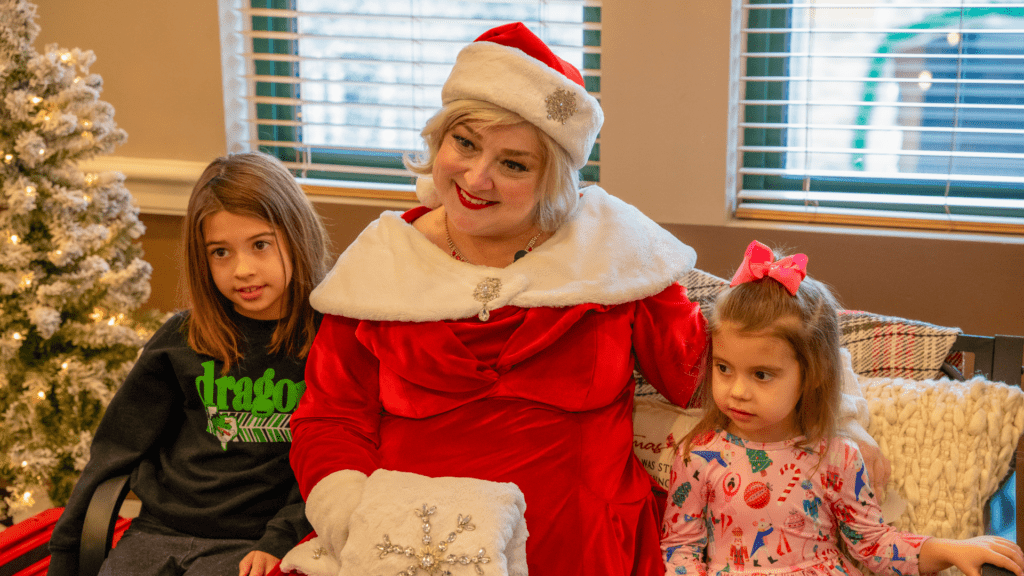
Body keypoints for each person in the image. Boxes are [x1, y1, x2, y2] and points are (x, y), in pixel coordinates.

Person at [284, 22, 707, 576]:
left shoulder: (613, 253)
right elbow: (331, 422)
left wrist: (828, 396)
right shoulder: (380, 264)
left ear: (553, 179)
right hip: (409, 550)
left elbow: (699, 375)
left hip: (582, 551)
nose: (476, 178)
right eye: (465, 143)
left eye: (513, 163)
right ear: (440, 139)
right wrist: (361, 522)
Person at [660, 240, 1024, 576]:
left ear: (812, 376)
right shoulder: (698, 456)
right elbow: (680, 551)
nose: (737, 391)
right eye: (724, 368)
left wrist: (950, 549)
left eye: (761, 374)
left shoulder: (838, 458)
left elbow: (874, 546)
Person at [46, 152, 331, 576]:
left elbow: (331, 464)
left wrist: (280, 538)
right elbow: (115, 450)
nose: (243, 270)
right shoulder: (181, 338)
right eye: (220, 252)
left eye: (260, 244)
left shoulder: (332, 342)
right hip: (158, 531)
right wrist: (67, 556)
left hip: (252, 542)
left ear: (297, 234)